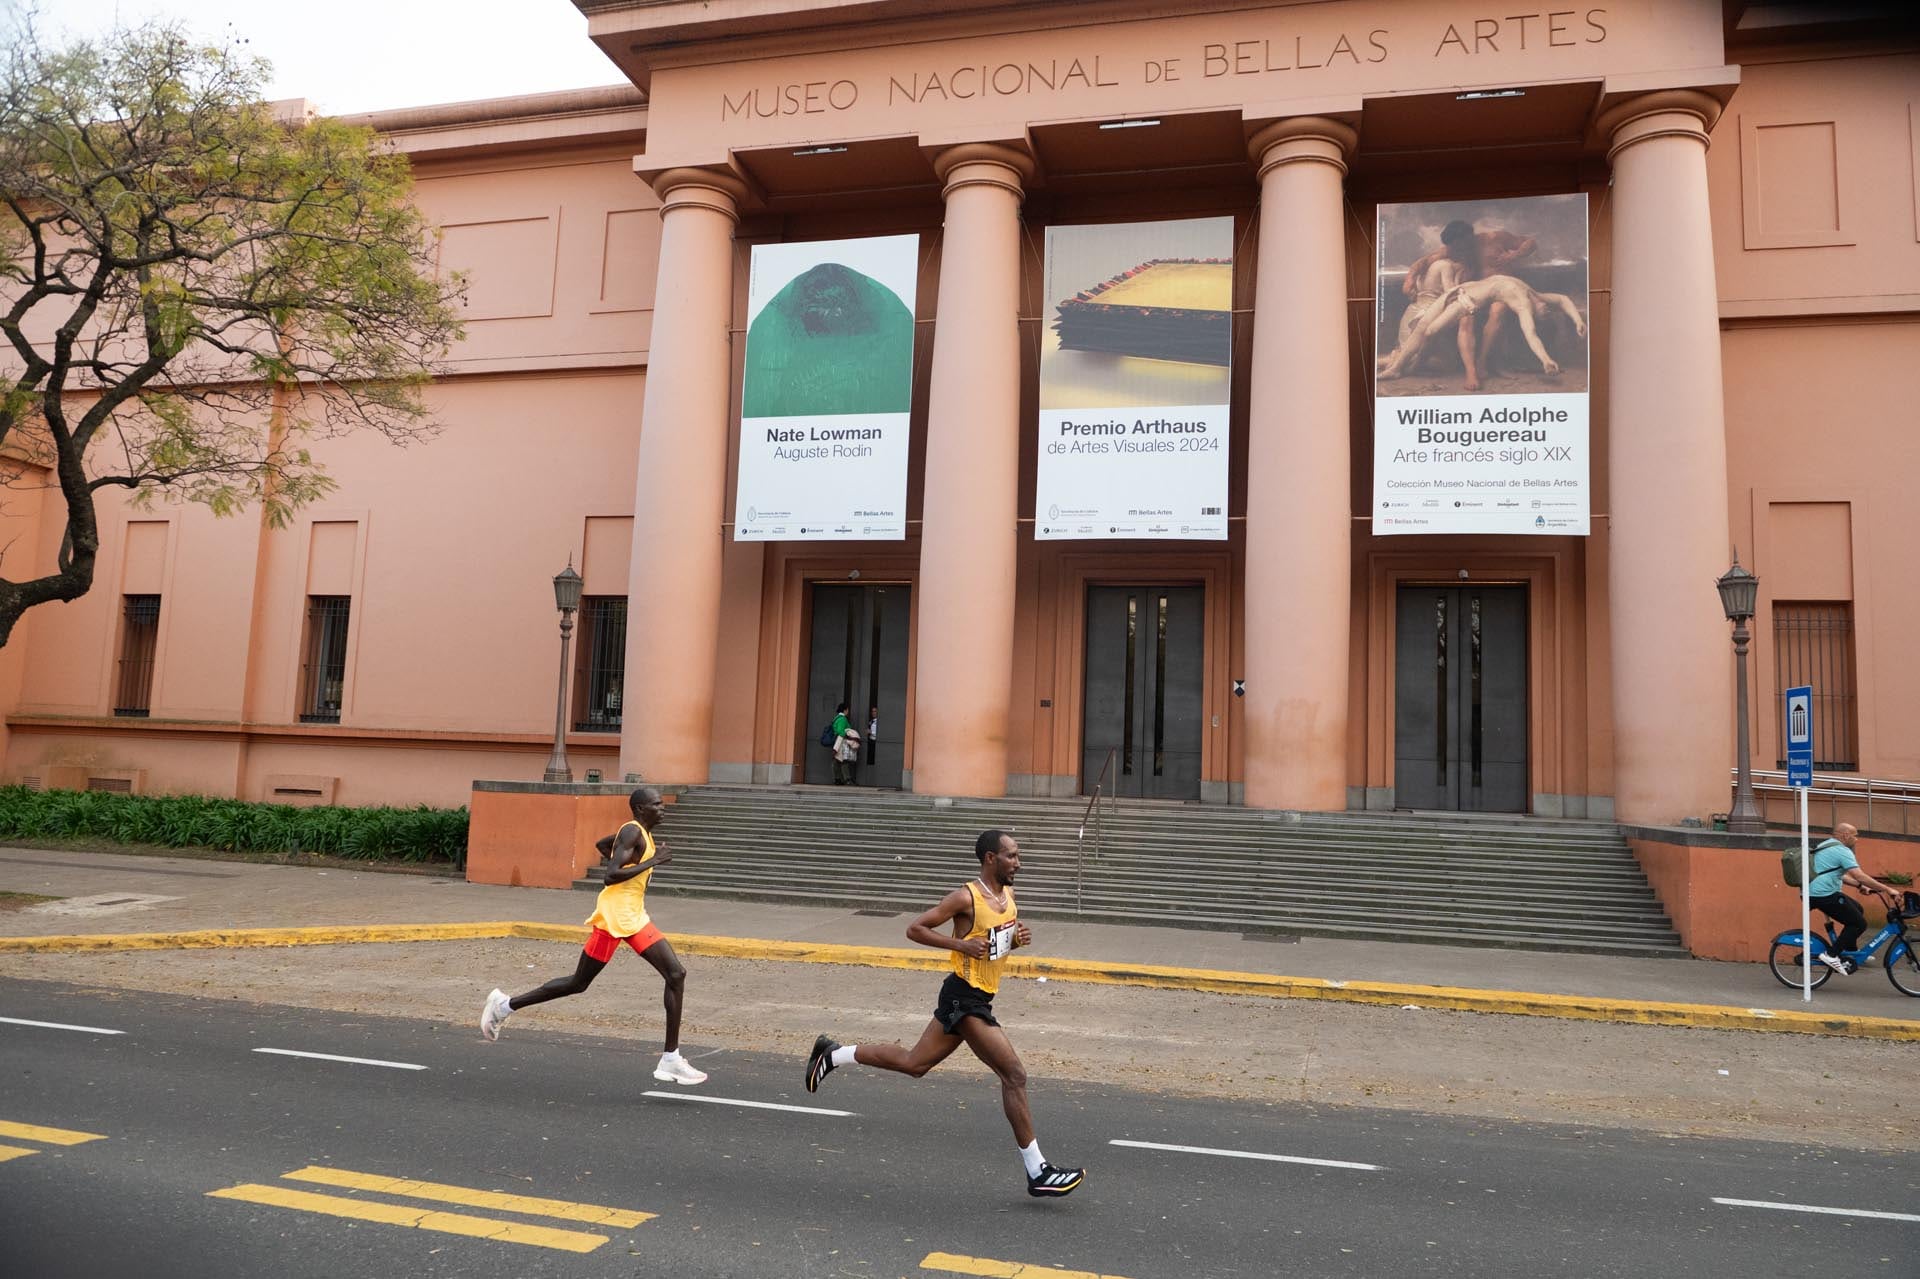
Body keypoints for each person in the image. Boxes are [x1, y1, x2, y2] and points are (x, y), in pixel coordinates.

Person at [804, 829, 1085, 1199]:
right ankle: (1038, 1171)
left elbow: (992, 947)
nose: (1018, 862)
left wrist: (1012, 941)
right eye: (1011, 856)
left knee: (914, 1064)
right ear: (990, 859)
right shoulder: (964, 897)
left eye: (1017, 856)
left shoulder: (1008, 897)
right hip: (963, 999)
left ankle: (833, 1054)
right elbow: (914, 929)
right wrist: (960, 944)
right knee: (1014, 1074)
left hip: (978, 999)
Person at [479, 787, 707, 1084]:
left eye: (662, 804)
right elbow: (610, 875)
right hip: (614, 918)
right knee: (578, 983)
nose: (662, 808)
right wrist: (654, 861)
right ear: (640, 809)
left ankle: (670, 1059)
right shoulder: (633, 832)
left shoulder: (638, 833)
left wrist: (631, 856)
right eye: (656, 804)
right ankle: (504, 1006)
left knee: (676, 974)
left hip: (633, 917)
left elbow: (603, 845)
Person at [1807, 821, 1902, 974]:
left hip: (1817, 892)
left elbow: (1839, 875)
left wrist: (1858, 886)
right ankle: (1831, 955)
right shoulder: (1842, 851)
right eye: (1855, 835)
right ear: (1845, 835)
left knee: (1857, 909)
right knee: (1859, 924)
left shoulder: (1826, 845)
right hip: (1823, 895)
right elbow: (1859, 875)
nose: (1857, 839)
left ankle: (1851, 950)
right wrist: (1887, 889)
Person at [830, 701, 857, 785]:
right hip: (841, 742)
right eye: (847, 710)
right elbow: (841, 731)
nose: (848, 711)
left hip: (838, 741)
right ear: (845, 710)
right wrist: (849, 734)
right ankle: (847, 779)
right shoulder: (842, 719)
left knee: (837, 760)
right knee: (843, 760)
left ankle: (837, 779)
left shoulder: (837, 718)